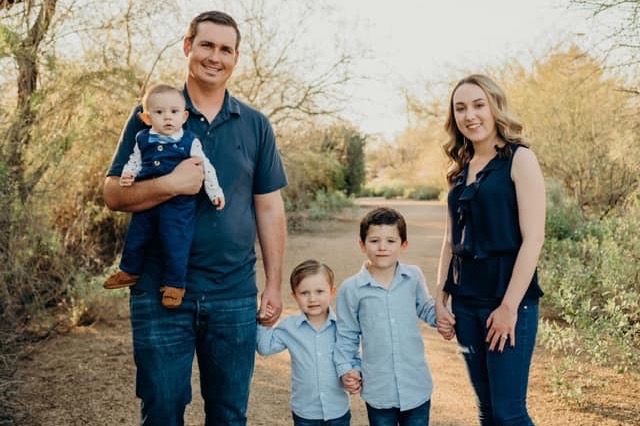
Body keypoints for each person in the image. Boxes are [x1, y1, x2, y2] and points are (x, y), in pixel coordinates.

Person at [102, 10, 287, 426]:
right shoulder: (152, 112)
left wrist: (274, 285)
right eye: (206, 45)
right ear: (188, 46)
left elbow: (269, 207)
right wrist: (171, 184)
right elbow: (112, 194)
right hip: (159, 288)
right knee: (162, 411)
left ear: (236, 58)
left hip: (233, 292)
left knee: (229, 415)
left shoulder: (255, 124)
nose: (214, 57)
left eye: (225, 49)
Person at [435, 74, 545, 426]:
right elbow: (450, 240)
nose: (470, 115)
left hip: (508, 302)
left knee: (509, 414)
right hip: (465, 304)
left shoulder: (520, 159)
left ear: (495, 107)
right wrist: (440, 298)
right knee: (487, 412)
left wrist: (509, 307)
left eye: (478, 105)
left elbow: (533, 239)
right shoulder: (458, 169)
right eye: (460, 108)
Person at [103, 83, 225, 309]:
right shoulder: (142, 138)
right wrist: (129, 174)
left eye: (174, 112)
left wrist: (214, 192)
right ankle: (129, 270)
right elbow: (134, 161)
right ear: (147, 118)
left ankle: (174, 285)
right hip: (147, 201)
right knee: (137, 235)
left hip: (178, 206)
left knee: (175, 242)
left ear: (184, 116)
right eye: (159, 112)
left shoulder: (189, 141)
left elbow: (205, 167)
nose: (168, 117)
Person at [334, 207, 437, 426]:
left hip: (416, 385)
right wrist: (347, 369)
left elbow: (427, 309)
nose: (382, 247)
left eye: (391, 241)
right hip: (379, 390)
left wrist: (448, 317)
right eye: (374, 241)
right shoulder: (351, 288)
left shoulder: (413, 277)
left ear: (403, 245)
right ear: (362, 245)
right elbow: (346, 335)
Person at [256, 259, 354, 426]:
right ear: (295, 296)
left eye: (319, 291)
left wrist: (353, 374)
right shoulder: (290, 327)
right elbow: (264, 348)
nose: (312, 298)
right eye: (304, 293)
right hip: (305, 412)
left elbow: (353, 355)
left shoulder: (342, 327)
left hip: (337, 410)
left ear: (332, 292)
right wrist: (265, 323)